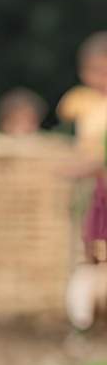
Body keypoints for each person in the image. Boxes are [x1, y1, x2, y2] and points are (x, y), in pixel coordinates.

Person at [58, 32, 107, 267]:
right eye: (94, 71)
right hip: (93, 184)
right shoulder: (82, 102)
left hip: (97, 173)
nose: (100, 78)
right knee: (91, 237)